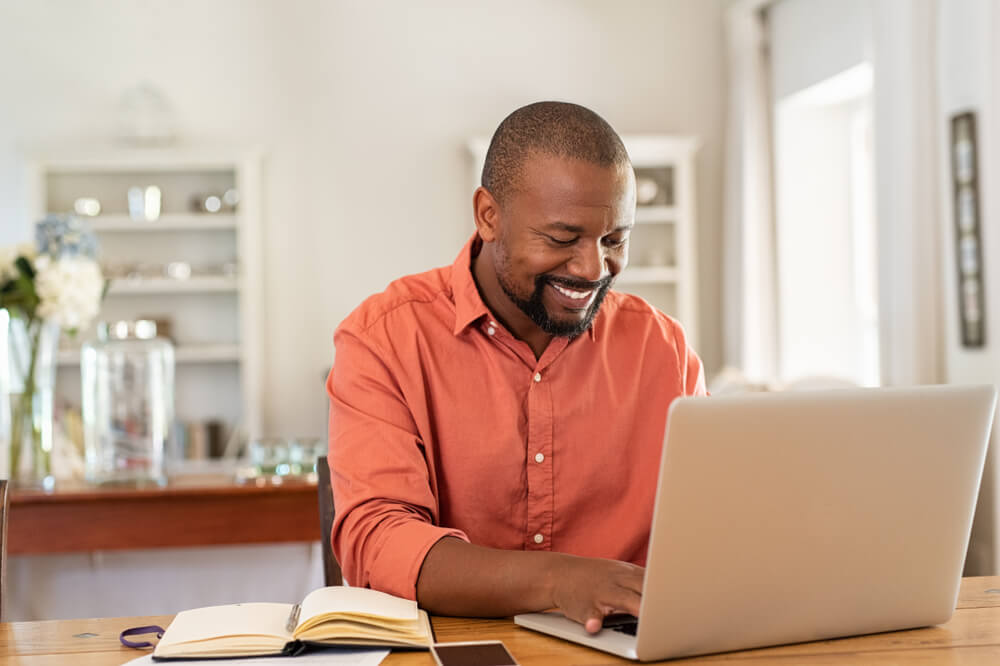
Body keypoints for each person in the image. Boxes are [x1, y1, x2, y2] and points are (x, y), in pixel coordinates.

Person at [327, 101, 706, 634]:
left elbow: (708, 530)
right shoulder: (383, 339)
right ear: (488, 216)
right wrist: (559, 581)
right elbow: (379, 541)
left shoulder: (663, 349)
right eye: (562, 238)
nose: (594, 268)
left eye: (614, 240)